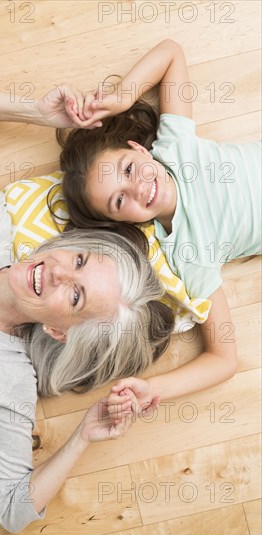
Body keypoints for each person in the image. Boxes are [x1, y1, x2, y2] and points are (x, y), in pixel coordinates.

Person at [0, 81, 174, 532]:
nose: (61, 273)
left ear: (62, 332)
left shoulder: (8, 386)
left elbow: (12, 510)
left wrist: (82, 436)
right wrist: (39, 114)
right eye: (80, 260)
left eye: (76, 296)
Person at [57, 39, 261, 413]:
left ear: (139, 149)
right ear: (118, 222)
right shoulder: (188, 254)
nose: (137, 187)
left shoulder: (175, 145)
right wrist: (152, 388)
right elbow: (223, 359)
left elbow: (171, 54)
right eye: (120, 200)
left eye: (129, 169)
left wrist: (120, 98)